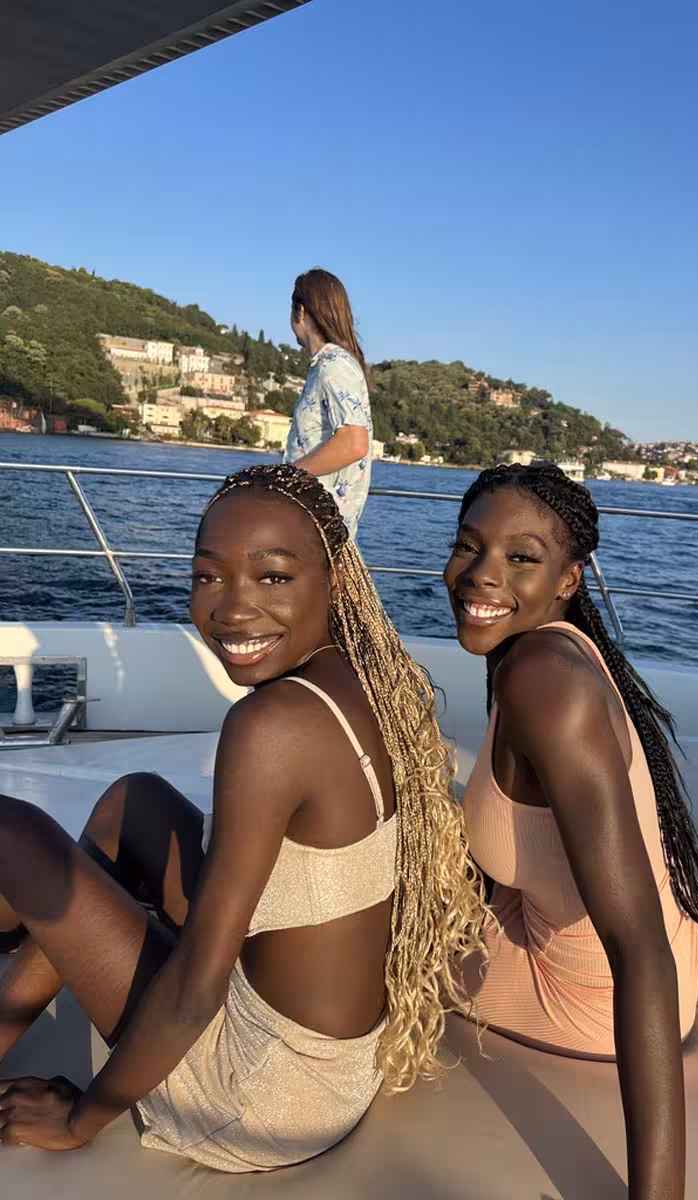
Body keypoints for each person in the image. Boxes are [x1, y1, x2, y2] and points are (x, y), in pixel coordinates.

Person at [0, 463, 487, 1171]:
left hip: (253, 1102)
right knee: (132, 804)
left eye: (273, 578)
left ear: (336, 582)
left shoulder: (271, 725)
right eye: (208, 577)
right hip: (329, 1072)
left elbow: (198, 980)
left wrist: (80, 1118)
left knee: (13, 833)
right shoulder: (361, 675)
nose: (231, 609)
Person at [444, 462, 698, 1200]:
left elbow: (639, 949)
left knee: (356, 906)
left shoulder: (546, 682)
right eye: (469, 546)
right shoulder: (551, 649)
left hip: (585, 997)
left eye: (520, 558)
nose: (480, 576)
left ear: (569, 578)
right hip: (596, 942)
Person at [284, 268, 373, 539]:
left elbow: (354, 443)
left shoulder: (333, 365)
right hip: (315, 522)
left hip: (318, 527)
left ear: (299, 312)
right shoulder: (331, 364)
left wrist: (289, 476)